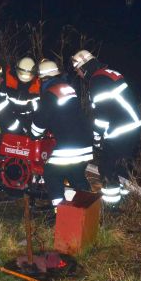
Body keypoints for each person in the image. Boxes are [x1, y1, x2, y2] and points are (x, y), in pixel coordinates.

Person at [71, 50, 141, 205]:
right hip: (131, 125)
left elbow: (102, 115)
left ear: (84, 68)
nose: (79, 75)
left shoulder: (98, 81)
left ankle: (112, 206)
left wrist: (97, 137)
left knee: (107, 168)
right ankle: (126, 202)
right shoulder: (107, 74)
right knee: (122, 167)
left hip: (121, 128)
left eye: (78, 71)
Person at [30, 59, 93, 210]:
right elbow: (65, 115)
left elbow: (40, 122)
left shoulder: (50, 94)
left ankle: (59, 211)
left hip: (70, 145)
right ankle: (88, 207)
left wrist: (33, 133)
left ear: (42, 78)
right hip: (85, 141)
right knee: (75, 175)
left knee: (52, 173)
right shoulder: (67, 88)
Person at [0, 57, 41, 134]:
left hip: (29, 118)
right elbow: (0, 102)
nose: (25, 77)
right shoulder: (8, 80)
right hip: (9, 116)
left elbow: (39, 108)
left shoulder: (38, 85)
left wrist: (33, 124)